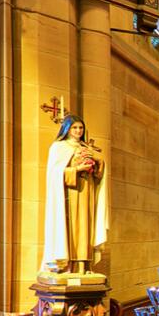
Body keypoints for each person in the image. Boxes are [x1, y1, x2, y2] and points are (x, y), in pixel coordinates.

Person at [41, 114, 107, 274]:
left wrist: (98, 162)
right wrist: (77, 169)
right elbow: (54, 173)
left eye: (81, 128)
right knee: (73, 228)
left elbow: (99, 173)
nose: (78, 131)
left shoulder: (86, 147)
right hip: (70, 194)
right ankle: (69, 266)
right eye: (74, 127)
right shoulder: (59, 147)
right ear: (67, 129)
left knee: (86, 227)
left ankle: (84, 265)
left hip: (87, 192)